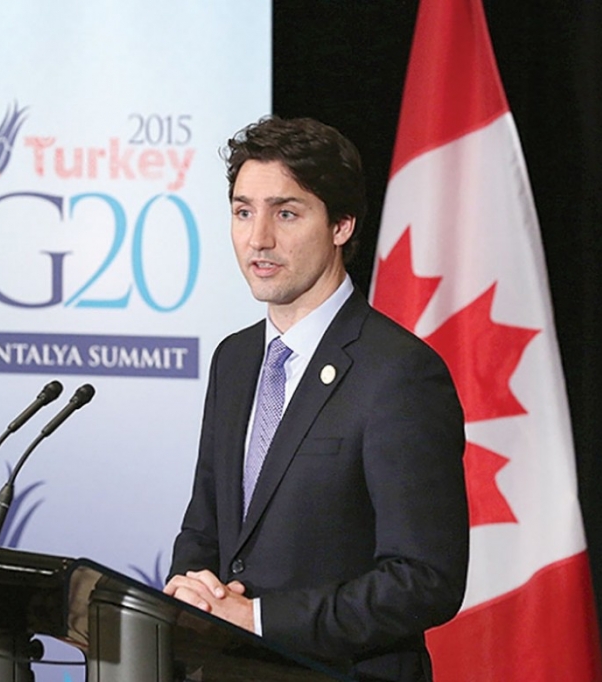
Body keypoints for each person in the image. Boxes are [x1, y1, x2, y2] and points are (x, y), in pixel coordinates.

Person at [165, 116, 469, 682]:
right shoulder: (234, 361)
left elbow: (425, 579)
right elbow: (207, 527)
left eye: (286, 212)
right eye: (242, 211)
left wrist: (258, 618)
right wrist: (191, 586)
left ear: (342, 224)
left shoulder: (399, 373)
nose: (259, 239)